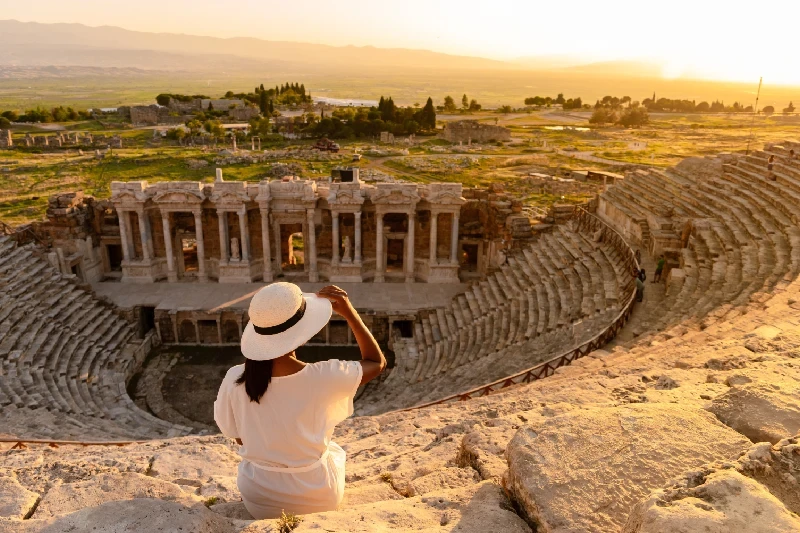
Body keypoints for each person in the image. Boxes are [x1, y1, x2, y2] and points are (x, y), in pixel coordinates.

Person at [214, 282, 386, 519]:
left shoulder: (235, 377)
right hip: (316, 497)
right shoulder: (325, 376)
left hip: (259, 497)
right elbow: (376, 362)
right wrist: (350, 313)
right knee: (333, 451)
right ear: (302, 335)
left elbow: (236, 434)